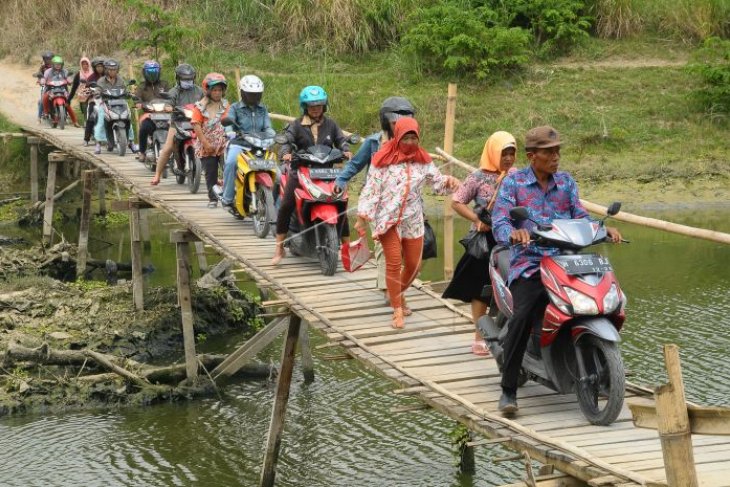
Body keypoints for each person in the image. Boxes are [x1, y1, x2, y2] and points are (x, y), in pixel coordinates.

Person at [491, 126, 622, 414]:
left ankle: (601, 366)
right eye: (549, 152)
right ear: (532, 156)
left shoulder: (566, 183)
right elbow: (500, 219)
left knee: (602, 300)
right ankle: (508, 389)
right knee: (523, 315)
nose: (556, 157)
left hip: (568, 259)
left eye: (557, 151)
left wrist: (602, 227)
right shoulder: (514, 184)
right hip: (531, 261)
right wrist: (513, 233)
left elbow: (580, 215)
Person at [355, 118, 460, 329]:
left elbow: (438, 184)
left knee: (413, 266)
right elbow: (371, 190)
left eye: (414, 138)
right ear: (398, 137)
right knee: (394, 262)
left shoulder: (423, 160)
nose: (410, 142)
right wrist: (361, 217)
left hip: (413, 218)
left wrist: (450, 182)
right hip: (387, 219)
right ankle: (397, 310)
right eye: (406, 138)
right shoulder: (382, 159)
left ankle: (399, 293)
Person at [442, 131, 517, 356]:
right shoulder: (477, 177)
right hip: (485, 241)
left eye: (512, 153)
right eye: (504, 153)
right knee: (481, 290)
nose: (509, 158)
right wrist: (476, 219)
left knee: (513, 287)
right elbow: (457, 202)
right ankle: (480, 337)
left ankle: (510, 334)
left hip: (511, 238)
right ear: (494, 152)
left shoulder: (517, 176)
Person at [334, 96, 416, 300]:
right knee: (384, 246)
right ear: (385, 120)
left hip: (404, 203)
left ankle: (394, 284)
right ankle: (389, 290)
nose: (400, 123)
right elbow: (356, 165)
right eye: (396, 119)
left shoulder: (410, 142)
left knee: (405, 246)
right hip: (377, 203)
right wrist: (341, 180)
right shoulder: (373, 143)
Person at [271, 85, 353, 265]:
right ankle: (279, 247)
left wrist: (346, 150)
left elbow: (340, 140)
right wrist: (285, 151)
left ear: (324, 106)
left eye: (319, 105)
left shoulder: (331, 124)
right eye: (311, 105)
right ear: (305, 106)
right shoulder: (297, 124)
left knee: (341, 203)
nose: (315, 108)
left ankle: (348, 250)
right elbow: (287, 140)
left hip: (328, 172)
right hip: (301, 170)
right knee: (286, 204)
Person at [218, 74, 274, 207]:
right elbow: (228, 122)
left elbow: (268, 126)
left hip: (260, 145)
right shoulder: (235, 108)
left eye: (257, 94)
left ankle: (276, 205)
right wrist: (230, 131)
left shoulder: (263, 109)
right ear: (243, 93)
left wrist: (273, 135)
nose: (254, 97)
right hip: (240, 144)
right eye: (250, 94)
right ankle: (227, 197)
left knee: (276, 171)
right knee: (231, 163)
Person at [151, 63, 204, 185]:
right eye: (185, 79)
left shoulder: (199, 91)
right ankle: (157, 175)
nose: (188, 81)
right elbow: (169, 101)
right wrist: (169, 107)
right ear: (178, 79)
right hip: (178, 122)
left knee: (210, 146)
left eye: (190, 79)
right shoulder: (174, 91)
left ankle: (214, 176)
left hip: (197, 123)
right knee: (167, 148)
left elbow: (205, 102)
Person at [191, 73, 230, 207]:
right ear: (207, 90)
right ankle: (212, 199)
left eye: (219, 90)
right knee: (211, 172)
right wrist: (206, 144)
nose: (217, 93)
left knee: (228, 169)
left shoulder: (226, 105)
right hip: (207, 145)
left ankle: (228, 196)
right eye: (214, 90)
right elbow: (196, 125)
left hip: (224, 144)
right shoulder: (200, 107)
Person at [134, 60, 170, 163]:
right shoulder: (142, 86)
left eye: (154, 71)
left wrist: (170, 105)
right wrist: (139, 103)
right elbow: (137, 98)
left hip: (165, 114)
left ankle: (177, 153)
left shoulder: (165, 84)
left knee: (175, 129)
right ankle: (142, 152)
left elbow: (171, 97)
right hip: (149, 114)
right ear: (145, 73)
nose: (152, 73)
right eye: (149, 71)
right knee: (144, 128)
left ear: (159, 72)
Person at [73, 57, 105, 145]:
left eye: (101, 66)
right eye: (98, 66)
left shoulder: (107, 76)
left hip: (107, 101)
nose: (100, 68)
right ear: (94, 67)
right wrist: (88, 91)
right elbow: (86, 89)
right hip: (95, 101)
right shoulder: (91, 77)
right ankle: (86, 139)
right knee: (91, 117)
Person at [41, 56, 80, 127]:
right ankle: (46, 112)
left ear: (62, 64)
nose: (58, 66)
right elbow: (44, 78)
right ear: (52, 64)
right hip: (50, 89)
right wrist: (42, 81)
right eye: (56, 64)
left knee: (67, 103)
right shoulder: (48, 71)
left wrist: (69, 80)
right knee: (45, 97)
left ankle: (75, 121)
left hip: (62, 89)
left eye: (59, 64)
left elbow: (68, 77)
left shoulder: (65, 71)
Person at [67, 57, 93, 123]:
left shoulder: (93, 73)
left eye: (86, 64)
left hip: (93, 92)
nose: (85, 66)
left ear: (89, 64)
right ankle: (85, 120)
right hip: (83, 93)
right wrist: (69, 99)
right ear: (81, 65)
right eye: (83, 64)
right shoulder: (79, 74)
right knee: (84, 104)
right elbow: (74, 88)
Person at [36, 51, 54, 121]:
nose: (48, 60)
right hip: (46, 85)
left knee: (65, 95)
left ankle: (65, 113)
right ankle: (39, 117)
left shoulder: (56, 66)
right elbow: (39, 74)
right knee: (42, 100)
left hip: (56, 85)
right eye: (47, 59)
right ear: (44, 59)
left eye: (50, 59)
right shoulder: (42, 67)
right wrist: (39, 80)